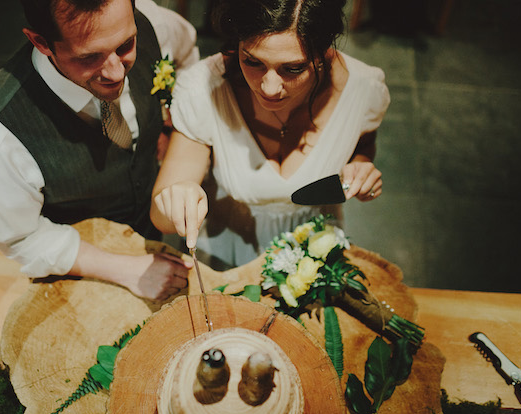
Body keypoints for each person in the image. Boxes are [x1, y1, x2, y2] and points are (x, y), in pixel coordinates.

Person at [0, 0, 200, 301]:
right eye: (90, 58)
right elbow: (20, 238)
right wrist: (124, 269)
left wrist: (171, 123)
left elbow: (186, 49)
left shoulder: (148, 20)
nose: (115, 72)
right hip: (90, 266)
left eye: (125, 45)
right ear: (41, 42)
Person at [151, 0, 390, 269]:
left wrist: (360, 165)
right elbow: (161, 219)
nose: (269, 87)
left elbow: (364, 143)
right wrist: (174, 200)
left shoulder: (364, 90)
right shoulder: (203, 89)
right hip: (228, 251)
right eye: (253, 61)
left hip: (314, 253)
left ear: (325, 52)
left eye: (293, 68)